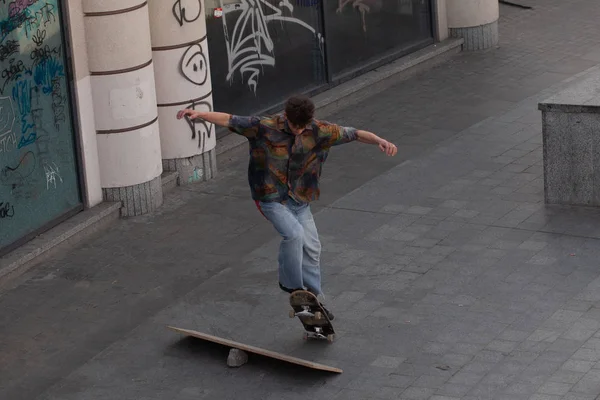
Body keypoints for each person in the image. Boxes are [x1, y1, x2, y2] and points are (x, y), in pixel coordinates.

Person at [177, 95, 397, 319]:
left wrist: (380, 140)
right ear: (287, 118)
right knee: (294, 235)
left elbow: (355, 134)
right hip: (271, 199)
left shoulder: (320, 130)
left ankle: (314, 299)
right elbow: (230, 120)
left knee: (313, 247)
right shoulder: (263, 127)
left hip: (300, 200)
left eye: (303, 128)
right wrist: (200, 115)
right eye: (295, 127)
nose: (300, 132)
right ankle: (293, 288)